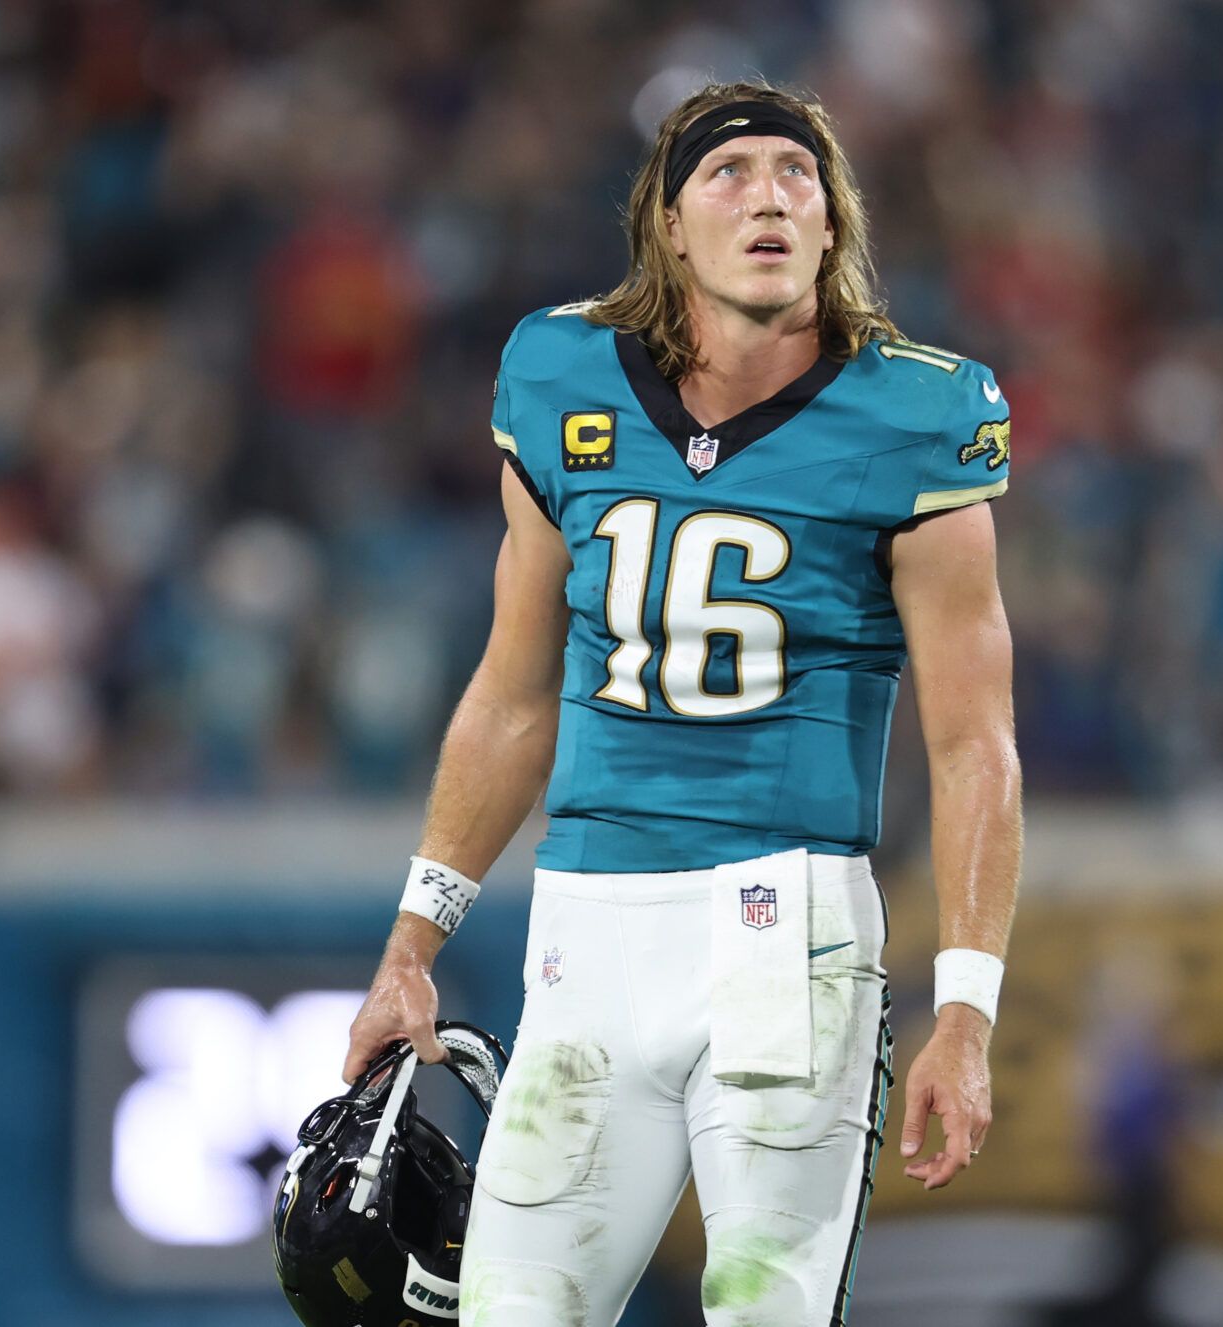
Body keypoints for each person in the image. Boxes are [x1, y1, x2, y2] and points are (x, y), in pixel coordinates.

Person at [343, 80, 1023, 1327]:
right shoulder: (562, 374)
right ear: (666, 222)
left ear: (833, 223)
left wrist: (967, 1010)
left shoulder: (916, 413)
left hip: (791, 942)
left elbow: (975, 744)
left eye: (796, 174)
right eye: (729, 172)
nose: (767, 193)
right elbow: (511, 693)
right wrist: (411, 943)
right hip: (589, 936)